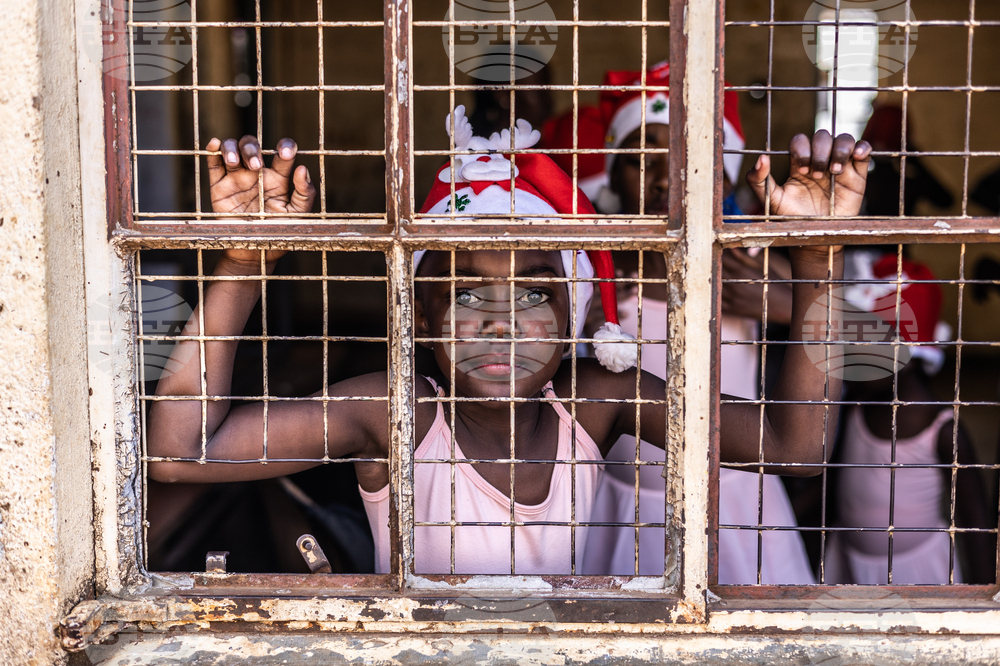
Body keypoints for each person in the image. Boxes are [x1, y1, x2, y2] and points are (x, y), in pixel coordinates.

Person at [148, 105, 873, 575]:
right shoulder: (397, 416)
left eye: (532, 292)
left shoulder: (595, 403)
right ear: (425, 319)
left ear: (574, 318)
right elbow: (179, 454)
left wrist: (817, 253)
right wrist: (243, 264)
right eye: (466, 294)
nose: (500, 320)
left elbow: (796, 446)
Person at [561, 64, 812, 582]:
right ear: (611, 177)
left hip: (736, 503)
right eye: (639, 160)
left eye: (686, 157)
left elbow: (845, 330)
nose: (663, 176)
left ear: (719, 174)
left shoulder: (747, 263)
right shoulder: (597, 275)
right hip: (619, 507)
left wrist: (777, 301)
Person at [824, 254, 996, 584]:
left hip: (918, 573)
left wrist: (985, 603)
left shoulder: (941, 429)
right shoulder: (856, 410)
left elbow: (975, 525)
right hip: (848, 563)